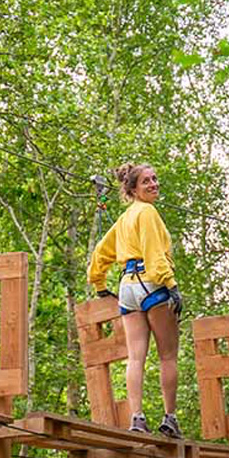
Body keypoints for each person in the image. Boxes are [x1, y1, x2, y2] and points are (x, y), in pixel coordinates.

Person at [87, 163, 184, 438]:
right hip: (152, 283)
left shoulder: (124, 219)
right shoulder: (148, 213)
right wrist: (171, 285)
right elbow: (154, 253)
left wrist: (100, 283)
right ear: (133, 190)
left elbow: (100, 253)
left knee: (136, 357)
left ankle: (137, 417)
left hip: (127, 286)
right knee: (167, 356)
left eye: (155, 179)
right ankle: (170, 418)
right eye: (146, 182)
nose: (153, 184)